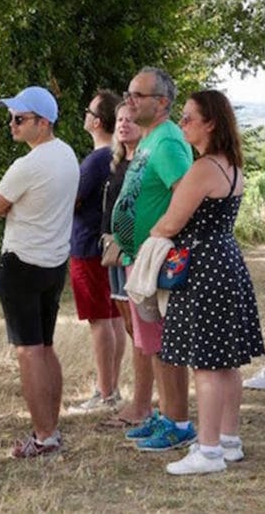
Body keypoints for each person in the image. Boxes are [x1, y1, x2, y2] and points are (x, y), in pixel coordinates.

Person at [151, 90, 265, 475]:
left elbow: (171, 222)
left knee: (206, 363)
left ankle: (209, 449)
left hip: (201, 267)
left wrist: (151, 236)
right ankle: (228, 441)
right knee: (227, 361)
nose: (181, 124)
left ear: (210, 123)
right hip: (226, 260)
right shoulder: (231, 165)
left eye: (187, 118)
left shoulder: (203, 169)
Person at [0, 86, 79, 458]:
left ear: (43, 122)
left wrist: (10, 206)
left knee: (29, 353)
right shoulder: (67, 154)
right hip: (54, 263)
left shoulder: (28, 165)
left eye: (20, 119)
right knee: (46, 347)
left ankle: (44, 436)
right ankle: (51, 428)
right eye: (11, 118)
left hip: (22, 263)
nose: (12, 125)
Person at [111, 67, 195, 452]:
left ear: (162, 102)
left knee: (166, 345)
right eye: (128, 94)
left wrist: (161, 234)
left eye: (138, 96)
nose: (129, 101)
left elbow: (187, 194)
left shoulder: (168, 143)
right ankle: (165, 414)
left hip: (158, 260)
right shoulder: (149, 139)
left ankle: (178, 423)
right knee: (153, 344)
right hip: (140, 260)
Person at [68, 90, 126, 413]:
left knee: (99, 320)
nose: (85, 115)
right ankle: (111, 387)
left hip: (87, 245)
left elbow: (71, 201)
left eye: (88, 110)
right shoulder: (114, 156)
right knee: (114, 316)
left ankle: (104, 393)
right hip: (105, 245)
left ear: (97, 121)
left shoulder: (94, 160)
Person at [102, 101, 154, 428]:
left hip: (135, 256)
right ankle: (141, 401)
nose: (123, 124)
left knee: (141, 332)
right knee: (130, 328)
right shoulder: (117, 163)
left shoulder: (148, 162)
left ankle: (143, 404)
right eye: (119, 119)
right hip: (113, 255)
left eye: (130, 119)